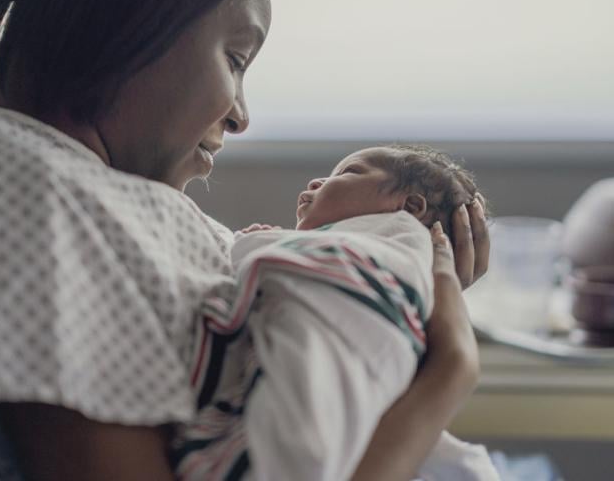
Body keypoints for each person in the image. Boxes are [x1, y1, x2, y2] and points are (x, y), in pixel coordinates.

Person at [0, 0, 489, 480]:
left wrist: (386, 289)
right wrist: (444, 379)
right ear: (130, 14)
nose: (240, 115)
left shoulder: (69, 179)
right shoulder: (23, 197)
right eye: (235, 60)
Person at [177, 145, 498, 480]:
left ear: (410, 207)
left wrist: (260, 242)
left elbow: (243, 260)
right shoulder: (414, 266)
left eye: (348, 172)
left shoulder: (397, 238)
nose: (316, 182)